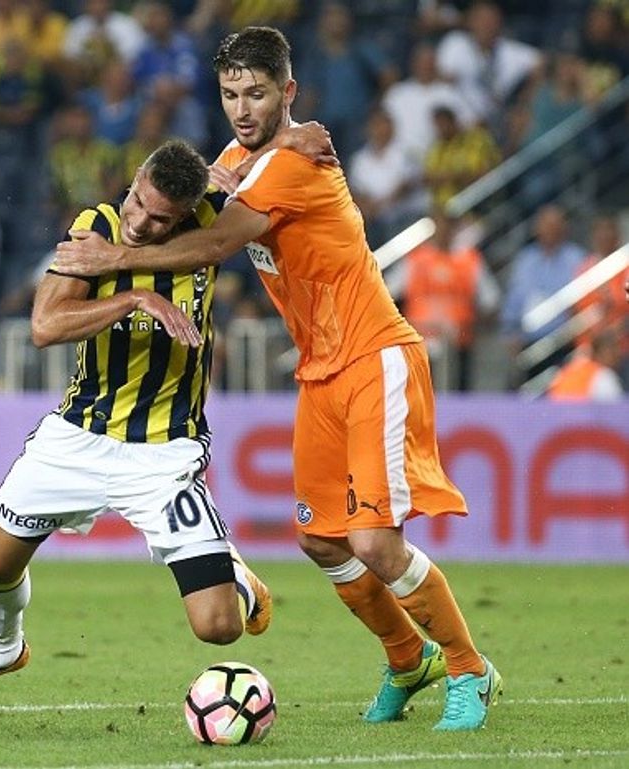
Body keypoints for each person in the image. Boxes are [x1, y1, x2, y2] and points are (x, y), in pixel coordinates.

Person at [55, 26, 502, 732]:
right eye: (231, 93)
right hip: (321, 371)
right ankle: (405, 657)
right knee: (322, 539)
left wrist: (107, 260)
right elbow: (198, 194)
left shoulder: (293, 168)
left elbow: (216, 242)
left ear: (287, 92)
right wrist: (212, 167)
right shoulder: (241, 157)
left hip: (375, 355)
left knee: (376, 543)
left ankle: (469, 668)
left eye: (257, 93)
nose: (242, 106)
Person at [0, 140, 274, 710]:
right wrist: (135, 298)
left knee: (219, 629)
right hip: (79, 435)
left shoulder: (213, 220)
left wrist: (300, 132)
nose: (139, 221)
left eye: (160, 219)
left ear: (185, 214)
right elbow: (44, 325)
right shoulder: (95, 227)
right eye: (138, 201)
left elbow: (260, 155)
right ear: (135, 178)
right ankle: (1, 650)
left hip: (164, 450)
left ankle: (229, 569)